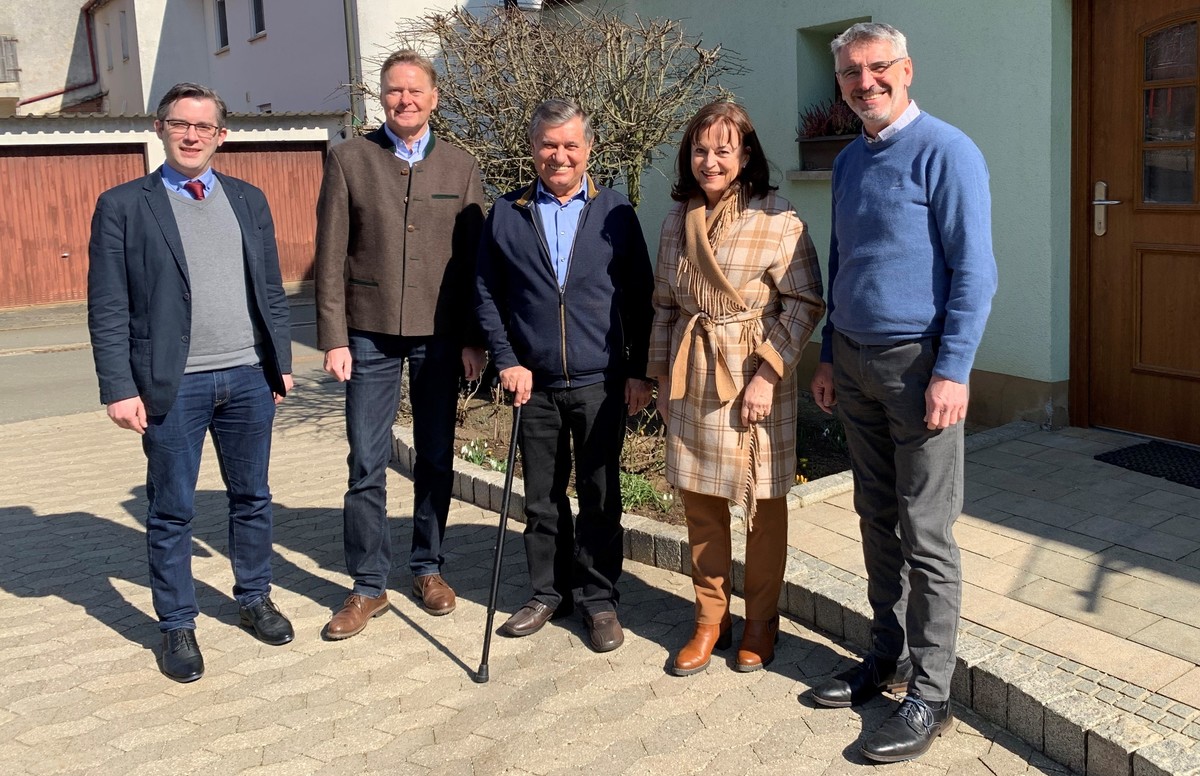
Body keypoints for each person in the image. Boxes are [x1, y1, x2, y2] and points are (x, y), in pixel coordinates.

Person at [808, 22, 997, 763]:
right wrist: (827, 355)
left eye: (877, 68)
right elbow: (843, 262)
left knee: (927, 534)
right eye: (851, 73)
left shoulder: (948, 152)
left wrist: (953, 370)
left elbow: (975, 272)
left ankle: (932, 692)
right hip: (854, 363)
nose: (864, 83)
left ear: (906, 69)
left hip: (919, 371)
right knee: (872, 515)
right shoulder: (852, 159)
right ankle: (883, 655)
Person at [87, 82, 295, 683]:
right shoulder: (124, 204)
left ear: (221, 136)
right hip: (171, 386)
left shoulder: (249, 200)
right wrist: (117, 388)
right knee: (172, 509)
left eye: (204, 127)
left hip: (250, 377)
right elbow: (107, 305)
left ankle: (253, 597)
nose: (192, 135)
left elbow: (271, 290)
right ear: (160, 128)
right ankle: (177, 623)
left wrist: (279, 360)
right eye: (181, 124)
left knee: (252, 496)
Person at [648, 102, 825, 676]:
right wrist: (658, 378)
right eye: (701, 150)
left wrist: (769, 373)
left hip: (754, 378)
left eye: (724, 150)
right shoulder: (678, 218)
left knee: (763, 509)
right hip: (692, 371)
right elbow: (664, 306)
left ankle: (760, 622)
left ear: (746, 154)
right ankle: (709, 619)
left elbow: (804, 302)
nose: (710, 161)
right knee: (700, 505)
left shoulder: (779, 216)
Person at [314, 50, 486, 639]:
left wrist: (473, 339)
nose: (404, 100)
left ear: (435, 97)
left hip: (440, 339)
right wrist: (334, 338)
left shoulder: (462, 168)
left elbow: (474, 267)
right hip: (367, 333)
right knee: (366, 461)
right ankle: (367, 585)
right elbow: (331, 256)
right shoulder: (349, 161)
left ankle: (427, 567)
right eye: (393, 91)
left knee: (436, 456)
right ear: (381, 97)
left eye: (415, 91)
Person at [474, 98, 654, 653]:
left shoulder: (616, 212)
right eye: (548, 145)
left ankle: (599, 599)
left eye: (570, 145)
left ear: (588, 149)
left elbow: (642, 298)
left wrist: (640, 372)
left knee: (601, 495)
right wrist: (506, 360)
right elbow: (486, 292)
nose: (559, 155)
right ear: (532, 149)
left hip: (601, 382)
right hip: (537, 384)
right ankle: (547, 593)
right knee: (542, 499)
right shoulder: (506, 213)